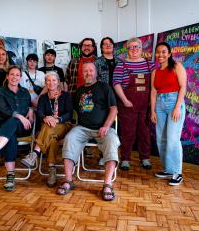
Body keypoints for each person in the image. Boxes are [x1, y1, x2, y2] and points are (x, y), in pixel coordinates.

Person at [57, 62, 120, 201]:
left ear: (96, 72)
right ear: (82, 73)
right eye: (85, 71)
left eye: (91, 70)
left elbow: (114, 109)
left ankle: (107, 184)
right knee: (70, 138)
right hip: (82, 128)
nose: (88, 73)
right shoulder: (79, 91)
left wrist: (106, 125)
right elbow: (67, 107)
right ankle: (68, 181)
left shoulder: (105, 87)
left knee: (112, 140)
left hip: (103, 128)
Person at [0, 66, 34, 191]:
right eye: (12, 74)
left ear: (20, 77)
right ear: (7, 76)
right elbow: (4, 110)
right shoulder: (0, 92)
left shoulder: (25, 92)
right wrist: (19, 116)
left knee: (15, 122)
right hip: (4, 127)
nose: (14, 77)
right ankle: (10, 176)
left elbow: (30, 106)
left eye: (17, 75)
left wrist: (31, 110)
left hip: (23, 127)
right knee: (11, 135)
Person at [20, 71, 73, 187]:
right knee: (52, 137)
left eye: (54, 80)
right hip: (49, 129)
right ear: (45, 83)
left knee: (49, 127)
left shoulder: (66, 95)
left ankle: (35, 153)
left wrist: (57, 119)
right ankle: (52, 169)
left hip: (64, 125)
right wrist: (45, 118)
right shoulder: (43, 98)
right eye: (48, 80)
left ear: (58, 82)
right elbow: (39, 112)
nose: (51, 83)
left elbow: (69, 113)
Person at [113, 38, 155, 171]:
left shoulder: (151, 65)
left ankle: (145, 158)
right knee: (127, 132)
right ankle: (125, 158)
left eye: (136, 46)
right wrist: (125, 100)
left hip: (146, 104)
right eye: (131, 47)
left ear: (141, 48)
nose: (134, 49)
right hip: (127, 104)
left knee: (145, 132)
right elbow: (116, 83)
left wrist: (151, 102)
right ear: (127, 50)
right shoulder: (121, 65)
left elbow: (155, 85)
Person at [150, 42, 187, 186]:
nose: (160, 55)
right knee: (161, 139)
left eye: (164, 52)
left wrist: (177, 107)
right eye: (158, 52)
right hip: (159, 104)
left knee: (172, 139)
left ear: (169, 53)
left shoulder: (177, 66)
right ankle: (168, 169)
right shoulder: (155, 72)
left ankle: (177, 173)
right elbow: (153, 92)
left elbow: (183, 87)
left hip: (174, 103)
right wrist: (153, 110)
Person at [94, 37, 122, 166]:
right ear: (101, 47)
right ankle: (103, 155)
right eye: (104, 44)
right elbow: (94, 80)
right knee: (106, 125)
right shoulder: (97, 62)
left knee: (119, 127)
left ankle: (114, 155)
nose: (107, 46)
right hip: (103, 97)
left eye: (110, 44)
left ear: (113, 46)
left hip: (119, 95)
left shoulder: (120, 61)